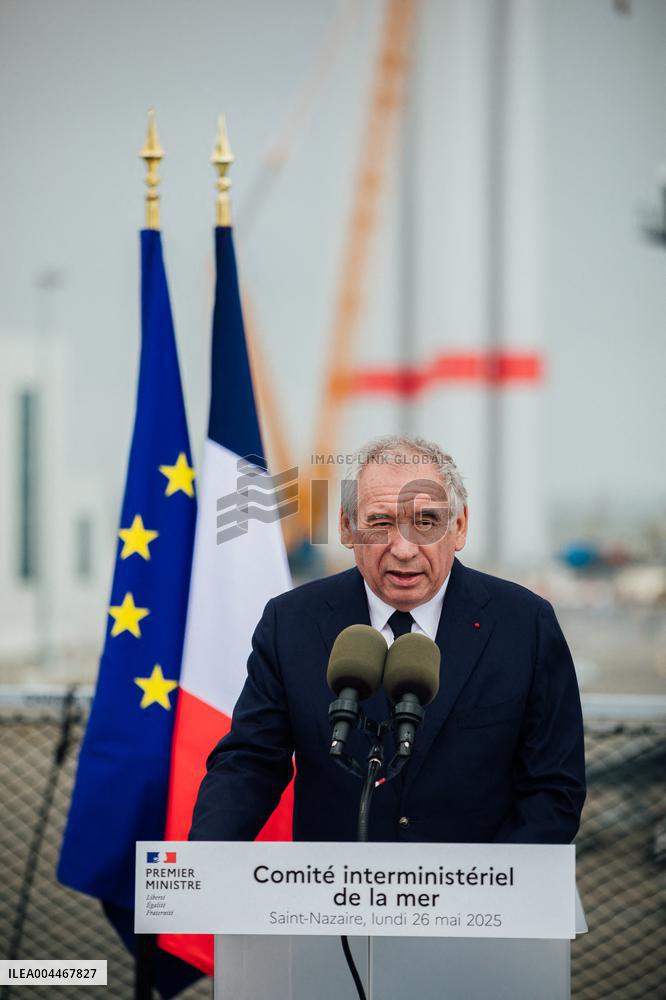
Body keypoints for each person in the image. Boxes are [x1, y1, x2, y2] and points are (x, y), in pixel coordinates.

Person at [190, 436, 585, 844]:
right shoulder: (291, 622)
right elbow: (251, 763)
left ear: (460, 526)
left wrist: (487, 889)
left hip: (479, 897)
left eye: (426, 522)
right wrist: (201, 867)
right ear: (346, 527)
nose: (403, 549)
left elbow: (554, 789)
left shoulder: (525, 625)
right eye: (380, 523)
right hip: (334, 895)